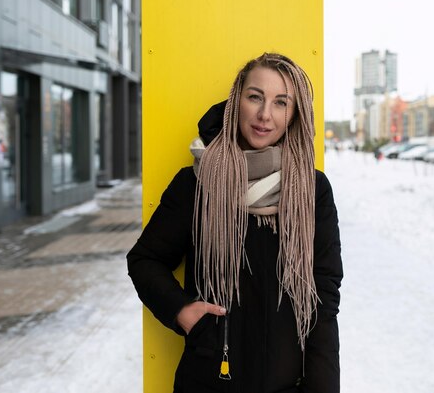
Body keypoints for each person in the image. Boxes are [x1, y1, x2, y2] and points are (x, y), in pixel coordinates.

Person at [127, 53, 343, 393]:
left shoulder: (312, 190)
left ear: (294, 116)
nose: (264, 115)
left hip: (289, 384)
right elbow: (144, 260)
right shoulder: (197, 183)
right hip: (209, 381)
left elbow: (324, 296)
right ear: (235, 102)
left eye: (281, 103)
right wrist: (181, 311)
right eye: (255, 96)